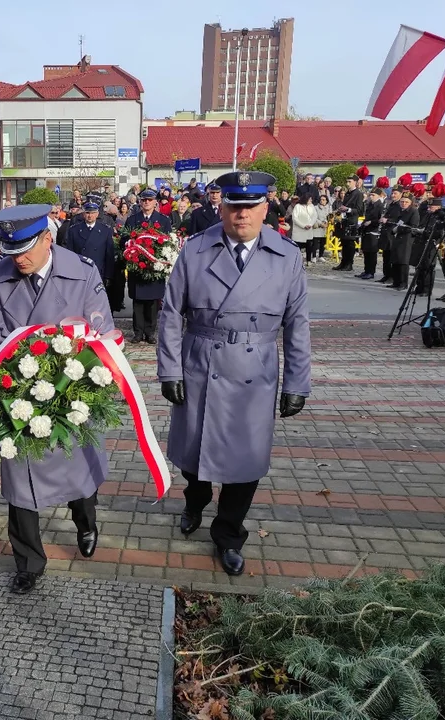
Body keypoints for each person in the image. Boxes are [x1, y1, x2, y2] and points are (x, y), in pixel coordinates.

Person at [156, 170, 311, 576]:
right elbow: (172, 314)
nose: (241, 214)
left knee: (245, 463)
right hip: (200, 362)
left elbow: (297, 324)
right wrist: (169, 370)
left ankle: (228, 535)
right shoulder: (195, 250)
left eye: (250, 206)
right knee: (194, 452)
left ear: (265, 208)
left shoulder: (287, 256)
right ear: (221, 207)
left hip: (254, 369)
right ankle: (195, 499)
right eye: (234, 206)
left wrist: (297, 382)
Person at [0, 204, 111, 594]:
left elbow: (102, 335)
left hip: (72, 392)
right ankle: (28, 561)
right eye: (10, 251)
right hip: (19, 397)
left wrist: (74, 382)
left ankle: (86, 524)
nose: (18, 259)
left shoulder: (82, 273)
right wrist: (11, 384)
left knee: (77, 470)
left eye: (25, 249)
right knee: (19, 482)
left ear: (47, 239)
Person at [125, 188, 172, 344]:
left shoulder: (163, 220)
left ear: (155, 202)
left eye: (149, 200)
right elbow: (124, 239)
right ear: (140, 202)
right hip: (137, 266)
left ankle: (150, 332)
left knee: (153, 302)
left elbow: (168, 243)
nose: (146, 202)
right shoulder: (132, 220)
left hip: (154, 267)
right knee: (138, 301)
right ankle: (138, 332)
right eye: (144, 200)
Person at [65, 200, 115, 284]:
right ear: (84, 214)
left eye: (93, 213)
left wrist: (108, 275)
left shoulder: (105, 230)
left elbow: (109, 255)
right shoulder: (74, 230)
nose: (90, 216)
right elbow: (70, 253)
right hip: (80, 272)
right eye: (87, 213)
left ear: (97, 214)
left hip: (98, 271)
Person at [332, 176, 365, 272]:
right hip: (345, 220)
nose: (347, 183)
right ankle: (343, 262)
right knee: (344, 242)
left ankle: (349, 264)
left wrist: (348, 209)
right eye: (347, 181)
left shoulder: (358, 194)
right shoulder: (347, 194)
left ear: (355, 182)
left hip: (352, 221)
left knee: (350, 243)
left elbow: (359, 210)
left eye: (349, 182)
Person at [388, 192, 419, 290]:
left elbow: (413, 227)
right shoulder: (400, 211)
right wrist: (394, 229)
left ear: (410, 202)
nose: (404, 203)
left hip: (406, 239)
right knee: (395, 260)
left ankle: (403, 283)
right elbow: (395, 222)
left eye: (406, 202)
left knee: (403, 262)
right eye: (402, 202)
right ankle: (396, 281)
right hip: (397, 238)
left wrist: (398, 229)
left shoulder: (413, 211)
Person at [357, 189, 384, 279]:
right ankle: (366, 270)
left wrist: (371, 222)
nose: (371, 197)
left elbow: (380, 219)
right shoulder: (370, 204)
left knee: (372, 253)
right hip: (367, 230)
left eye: (373, 195)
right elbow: (366, 216)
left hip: (374, 231)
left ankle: (371, 272)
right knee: (366, 252)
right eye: (370, 195)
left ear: (379, 196)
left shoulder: (380, 206)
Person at [377, 188, 402, 283]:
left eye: (395, 193)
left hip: (392, 233)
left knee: (391, 257)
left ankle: (391, 276)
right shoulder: (391, 204)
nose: (393, 195)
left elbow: (399, 220)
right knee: (385, 256)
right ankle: (386, 275)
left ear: (400, 194)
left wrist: (388, 220)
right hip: (386, 232)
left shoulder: (400, 205)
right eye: (392, 193)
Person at [291, 194, 317, 263]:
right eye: (310, 199)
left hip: (308, 230)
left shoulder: (312, 206)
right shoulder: (298, 206)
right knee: (298, 246)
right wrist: (303, 226)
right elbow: (295, 218)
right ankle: (297, 261)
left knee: (309, 246)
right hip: (299, 230)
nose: (311, 201)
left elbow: (315, 216)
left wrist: (310, 224)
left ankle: (308, 260)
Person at [314, 194, 332, 262]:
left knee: (323, 242)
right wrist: (321, 223)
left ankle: (321, 255)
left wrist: (327, 222)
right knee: (315, 242)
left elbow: (330, 216)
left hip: (325, 227)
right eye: (321, 199)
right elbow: (315, 217)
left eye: (323, 200)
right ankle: (314, 256)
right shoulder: (316, 207)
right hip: (318, 226)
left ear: (326, 201)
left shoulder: (329, 208)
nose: (322, 201)